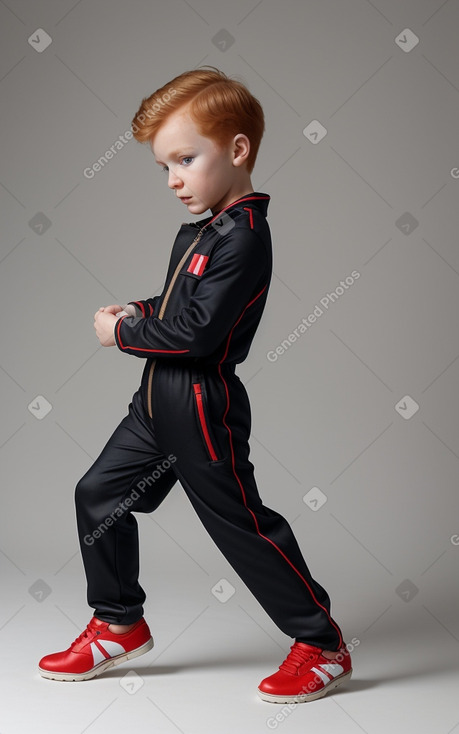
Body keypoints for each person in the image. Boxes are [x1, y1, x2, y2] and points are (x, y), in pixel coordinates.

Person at [38, 67, 352, 703]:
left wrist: (123, 336)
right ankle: (119, 622)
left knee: (241, 526)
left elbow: (196, 336)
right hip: (154, 407)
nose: (175, 179)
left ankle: (321, 645)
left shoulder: (243, 237)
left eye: (186, 158)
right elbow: (178, 303)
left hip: (201, 408)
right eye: (164, 167)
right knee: (99, 494)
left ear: (237, 151)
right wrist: (136, 308)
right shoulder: (205, 229)